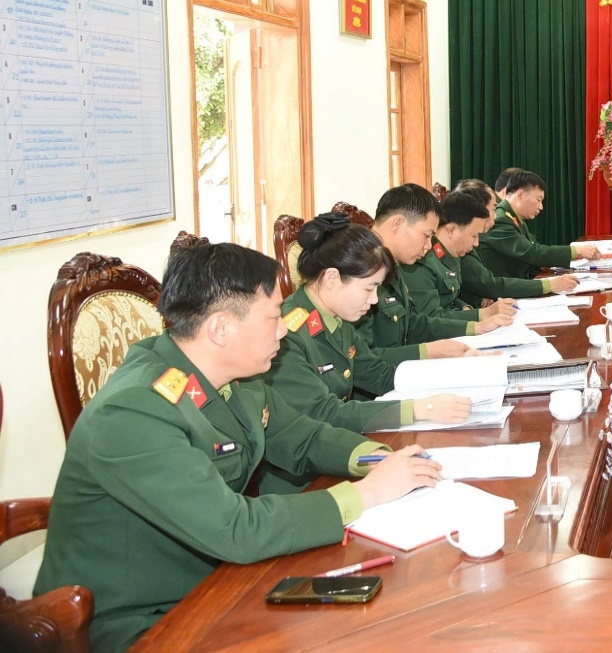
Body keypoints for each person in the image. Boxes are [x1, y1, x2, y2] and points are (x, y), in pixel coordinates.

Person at [33, 242, 441, 652]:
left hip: (219, 577)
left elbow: (304, 437)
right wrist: (368, 493)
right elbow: (235, 528)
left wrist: (382, 461)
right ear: (220, 328)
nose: (284, 330)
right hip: (138, 620)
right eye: (273, 317)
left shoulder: (237, 377)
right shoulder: (135, 410)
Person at [261, 214, 473, 493]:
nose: (374, 300)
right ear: (332, 278)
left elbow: (380, 375)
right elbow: (325, 413)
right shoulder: (287, 334)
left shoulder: (336, 320)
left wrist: (454, 374)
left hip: (348, 453)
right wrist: (419, 409)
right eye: (369, 288)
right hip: (304, 483)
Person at [362, 183, 512, 363]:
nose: (428, 246)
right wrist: (428, 352)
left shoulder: (391, 263)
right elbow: (362, 362)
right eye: (426, 235)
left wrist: (476, 327)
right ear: (397, 224)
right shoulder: (358, 269)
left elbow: (414, 324)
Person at [403, 188, 529, 319]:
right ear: (452, 230)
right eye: (474, 236)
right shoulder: (421, 260)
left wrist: (465, 307)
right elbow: (431, 319)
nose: (476, 243)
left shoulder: (452, 254)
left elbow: (449, 298)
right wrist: (483, 314)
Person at [452, 179, 582, 301]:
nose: (495, 215)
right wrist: (549, 285)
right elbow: (491, 285)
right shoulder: (461, 245)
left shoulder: (471, 238)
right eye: (493, 208)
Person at [480, 170, 602, 279]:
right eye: (538, 200)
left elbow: (533, 249)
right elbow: (532, 253)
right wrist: (576, 251)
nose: (541, 207)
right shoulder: (501, 220)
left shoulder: (514, 216)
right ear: (520, 195)